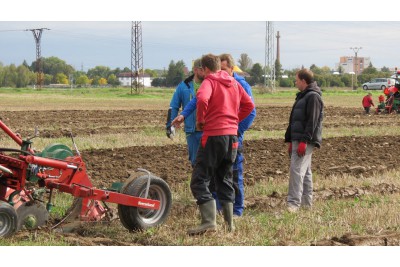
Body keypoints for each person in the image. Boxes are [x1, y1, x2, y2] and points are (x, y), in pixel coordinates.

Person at [172, 54, 256, 217]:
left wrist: (236, 127)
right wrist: (184, 115)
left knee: (232, 175)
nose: (221, 72)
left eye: (224, 69)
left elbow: (251, 111)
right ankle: (220, 213)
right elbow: (197, 100)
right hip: (227, 134)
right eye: (220, 69)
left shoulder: (238, 84)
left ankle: (236, 211)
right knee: (220, 176)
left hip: (229, 135)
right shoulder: (218, 82)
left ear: (232, 69)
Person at [285, 68, 323, 213]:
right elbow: (295, 120)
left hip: (304, 140)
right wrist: (290, 140)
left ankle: (293, 204)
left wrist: (304, 141)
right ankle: (306, 204)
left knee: (296, 170)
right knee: (305, 171)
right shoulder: (303, 96)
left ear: (303, 81)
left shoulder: (313, 97)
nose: (295, 83)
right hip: (299, 139)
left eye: (296, 80)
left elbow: (312, 121)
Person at [165, 59, 204, 166]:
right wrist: (170, 126)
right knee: (195, 162)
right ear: (196, 70)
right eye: (202, 69)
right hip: (191, 131)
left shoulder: (211, 85)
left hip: (208, 130)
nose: (206, 72)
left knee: (209, 162)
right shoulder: (183, 87)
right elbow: (174, 106)